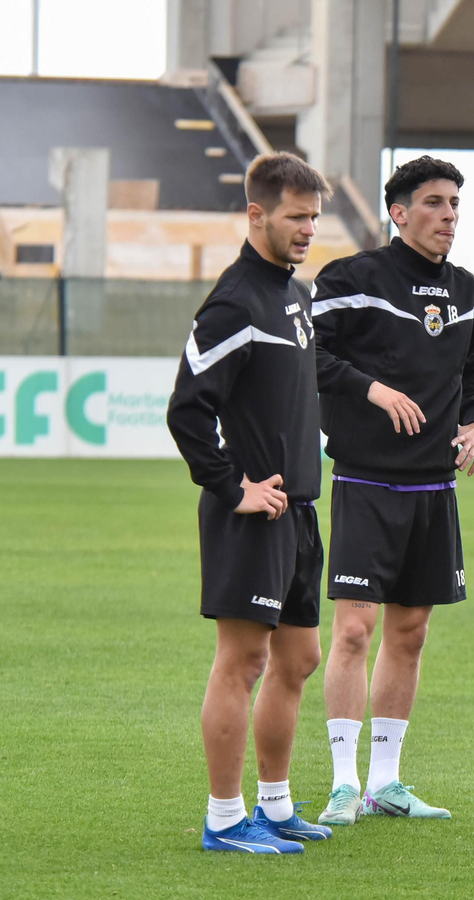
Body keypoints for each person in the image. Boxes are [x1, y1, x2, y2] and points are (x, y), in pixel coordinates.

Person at [309, 155, 474, 826]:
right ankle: (341, 782)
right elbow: (310, 353)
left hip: (433, 487)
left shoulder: (468, 291)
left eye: (454, 205)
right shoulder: (352, 279)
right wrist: (373, 388)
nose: (448, 216)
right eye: (436, 204)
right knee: (355, 629)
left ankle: (386, 783)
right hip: (364, 480)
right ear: (399, 211)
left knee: (409, 634)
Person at [166, 152, 336, 853]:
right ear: (256, 214)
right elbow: (186, 409)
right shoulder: (235, 301)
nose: (306, 231)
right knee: (243, 663)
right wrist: (231, 486)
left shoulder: (294, 297)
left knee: (298, 661)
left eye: (313, 219)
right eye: (296, 218)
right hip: (252, 515)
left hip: (297, 509)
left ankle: (273, 803)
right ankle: (225, 818)